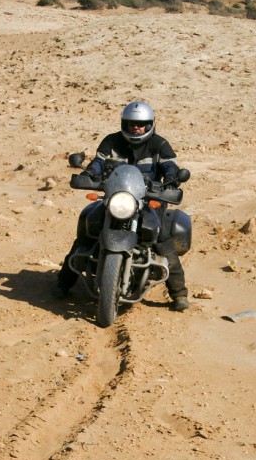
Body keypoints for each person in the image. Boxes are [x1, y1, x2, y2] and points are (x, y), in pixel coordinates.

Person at [56, 100, 190, 312]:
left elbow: (170, 168)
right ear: (124, 124)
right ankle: (63, 283)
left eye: (141, 124)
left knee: (162, 239)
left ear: (150, 124)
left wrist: (171, 181)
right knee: (88, 230)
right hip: (116, 198)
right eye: (131, 124)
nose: (136, 128)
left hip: (148, 200)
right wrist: (89, 173)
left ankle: (179, 293)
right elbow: (97, 163)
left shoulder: (159, 145)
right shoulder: (111, 141)